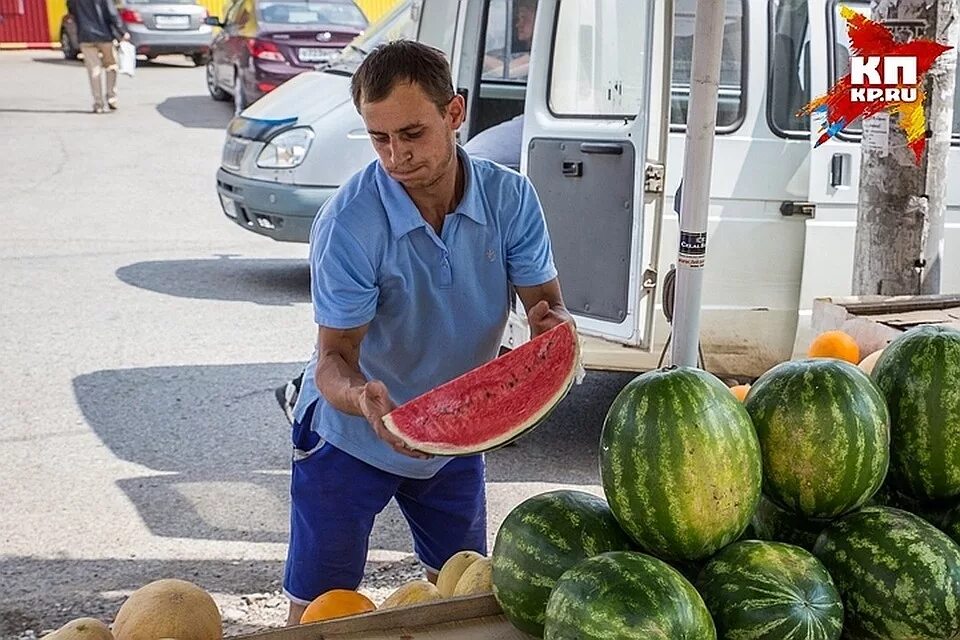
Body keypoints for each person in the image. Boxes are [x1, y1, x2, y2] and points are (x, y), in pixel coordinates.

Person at [281, 40, 573, 625]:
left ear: (454, 113)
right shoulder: (349, 223)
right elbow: (334, 358)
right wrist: (362, 399)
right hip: (349, 438)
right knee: (319, 612)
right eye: (379, 139)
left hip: (454, 434)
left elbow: (548, 309)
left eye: (412, 133)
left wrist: (554, 331)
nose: (397, 157)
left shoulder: (511, 199)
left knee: (465, 601)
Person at [66, 0, 130, 113]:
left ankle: (98, 103)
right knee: (111, 65)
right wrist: (122, 31)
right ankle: (111, 98)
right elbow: (112, 13)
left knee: (94, 69)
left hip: (85, 35)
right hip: (105, 35)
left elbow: (71, 10)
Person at [482, 0, 536, 81]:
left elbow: (507, 71)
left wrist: (479, 57)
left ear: (537, 20)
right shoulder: (512, 51)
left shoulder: (539, 56)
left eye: (523, 18)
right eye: (518, 19)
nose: (518, 24)